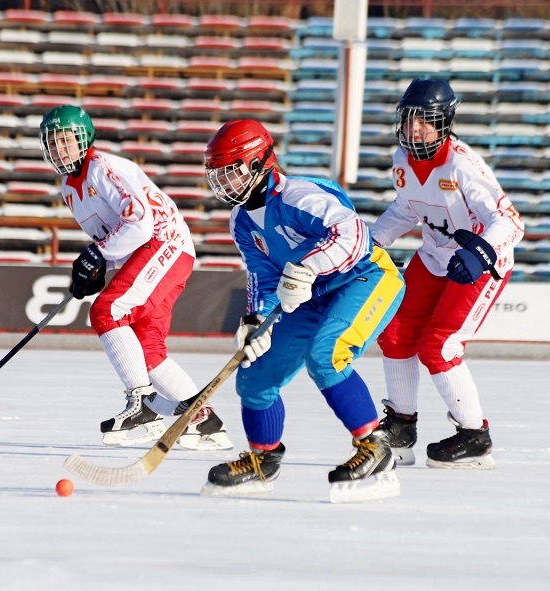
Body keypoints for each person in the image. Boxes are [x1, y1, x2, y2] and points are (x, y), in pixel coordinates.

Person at [200, 119, 406, 502]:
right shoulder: (242, 219)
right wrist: (254, 319)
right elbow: (262, 274)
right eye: (219, 175)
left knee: (326, 355)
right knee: (255, 375)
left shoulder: (299, 196)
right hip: (309, 294)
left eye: (232, 172)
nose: (225, 184)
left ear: (260, 162)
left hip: (365, 277)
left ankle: (374, 448)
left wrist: (308, 267)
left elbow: (355, 235)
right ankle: (263, 460)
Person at [38, 105, 231, 451]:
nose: (59, 150)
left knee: (106, 311)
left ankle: (142, 407)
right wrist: (94, 270)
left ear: (84, 140)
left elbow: (139, 223)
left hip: (164, 242)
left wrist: (100, 255)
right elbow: (110, 238)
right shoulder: (69, 188)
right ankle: (205, 422)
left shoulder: (103, 169)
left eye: (66, 140)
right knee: (147, 349)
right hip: (149, 252)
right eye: (53, 144)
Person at [369, 78, 524, 470]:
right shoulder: (402, 162)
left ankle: (474, 436)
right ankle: (401, 428)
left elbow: (509, 221)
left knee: (439, 346)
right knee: (395, 332)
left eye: (426, 121)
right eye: (410, 120)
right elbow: (407, 208)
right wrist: (370, 242)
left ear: (444, 123)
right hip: (435, 257)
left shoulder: (461, 163)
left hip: (478, 264)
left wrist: (480, 252)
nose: (416, 129)